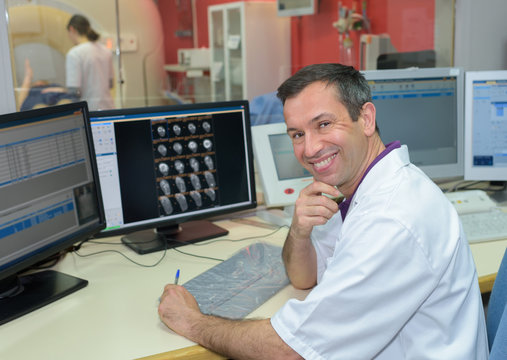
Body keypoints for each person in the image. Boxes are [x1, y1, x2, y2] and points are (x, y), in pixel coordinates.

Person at [158, 63, 489, 359]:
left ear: (367, 119)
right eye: (298, 134)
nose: (311, 148)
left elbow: (291, 351)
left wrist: (193, 322)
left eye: (325, 124)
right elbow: (304, 277)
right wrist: (299, 230)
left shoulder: (391, 219)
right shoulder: (354, 189)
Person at [65, 14, 115, 110]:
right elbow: (111, 84)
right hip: (108, 109)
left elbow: (74, 92)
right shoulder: (106, 51)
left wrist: (62, 91)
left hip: (90, 111)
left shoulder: (74, 54)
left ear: (72, 29)